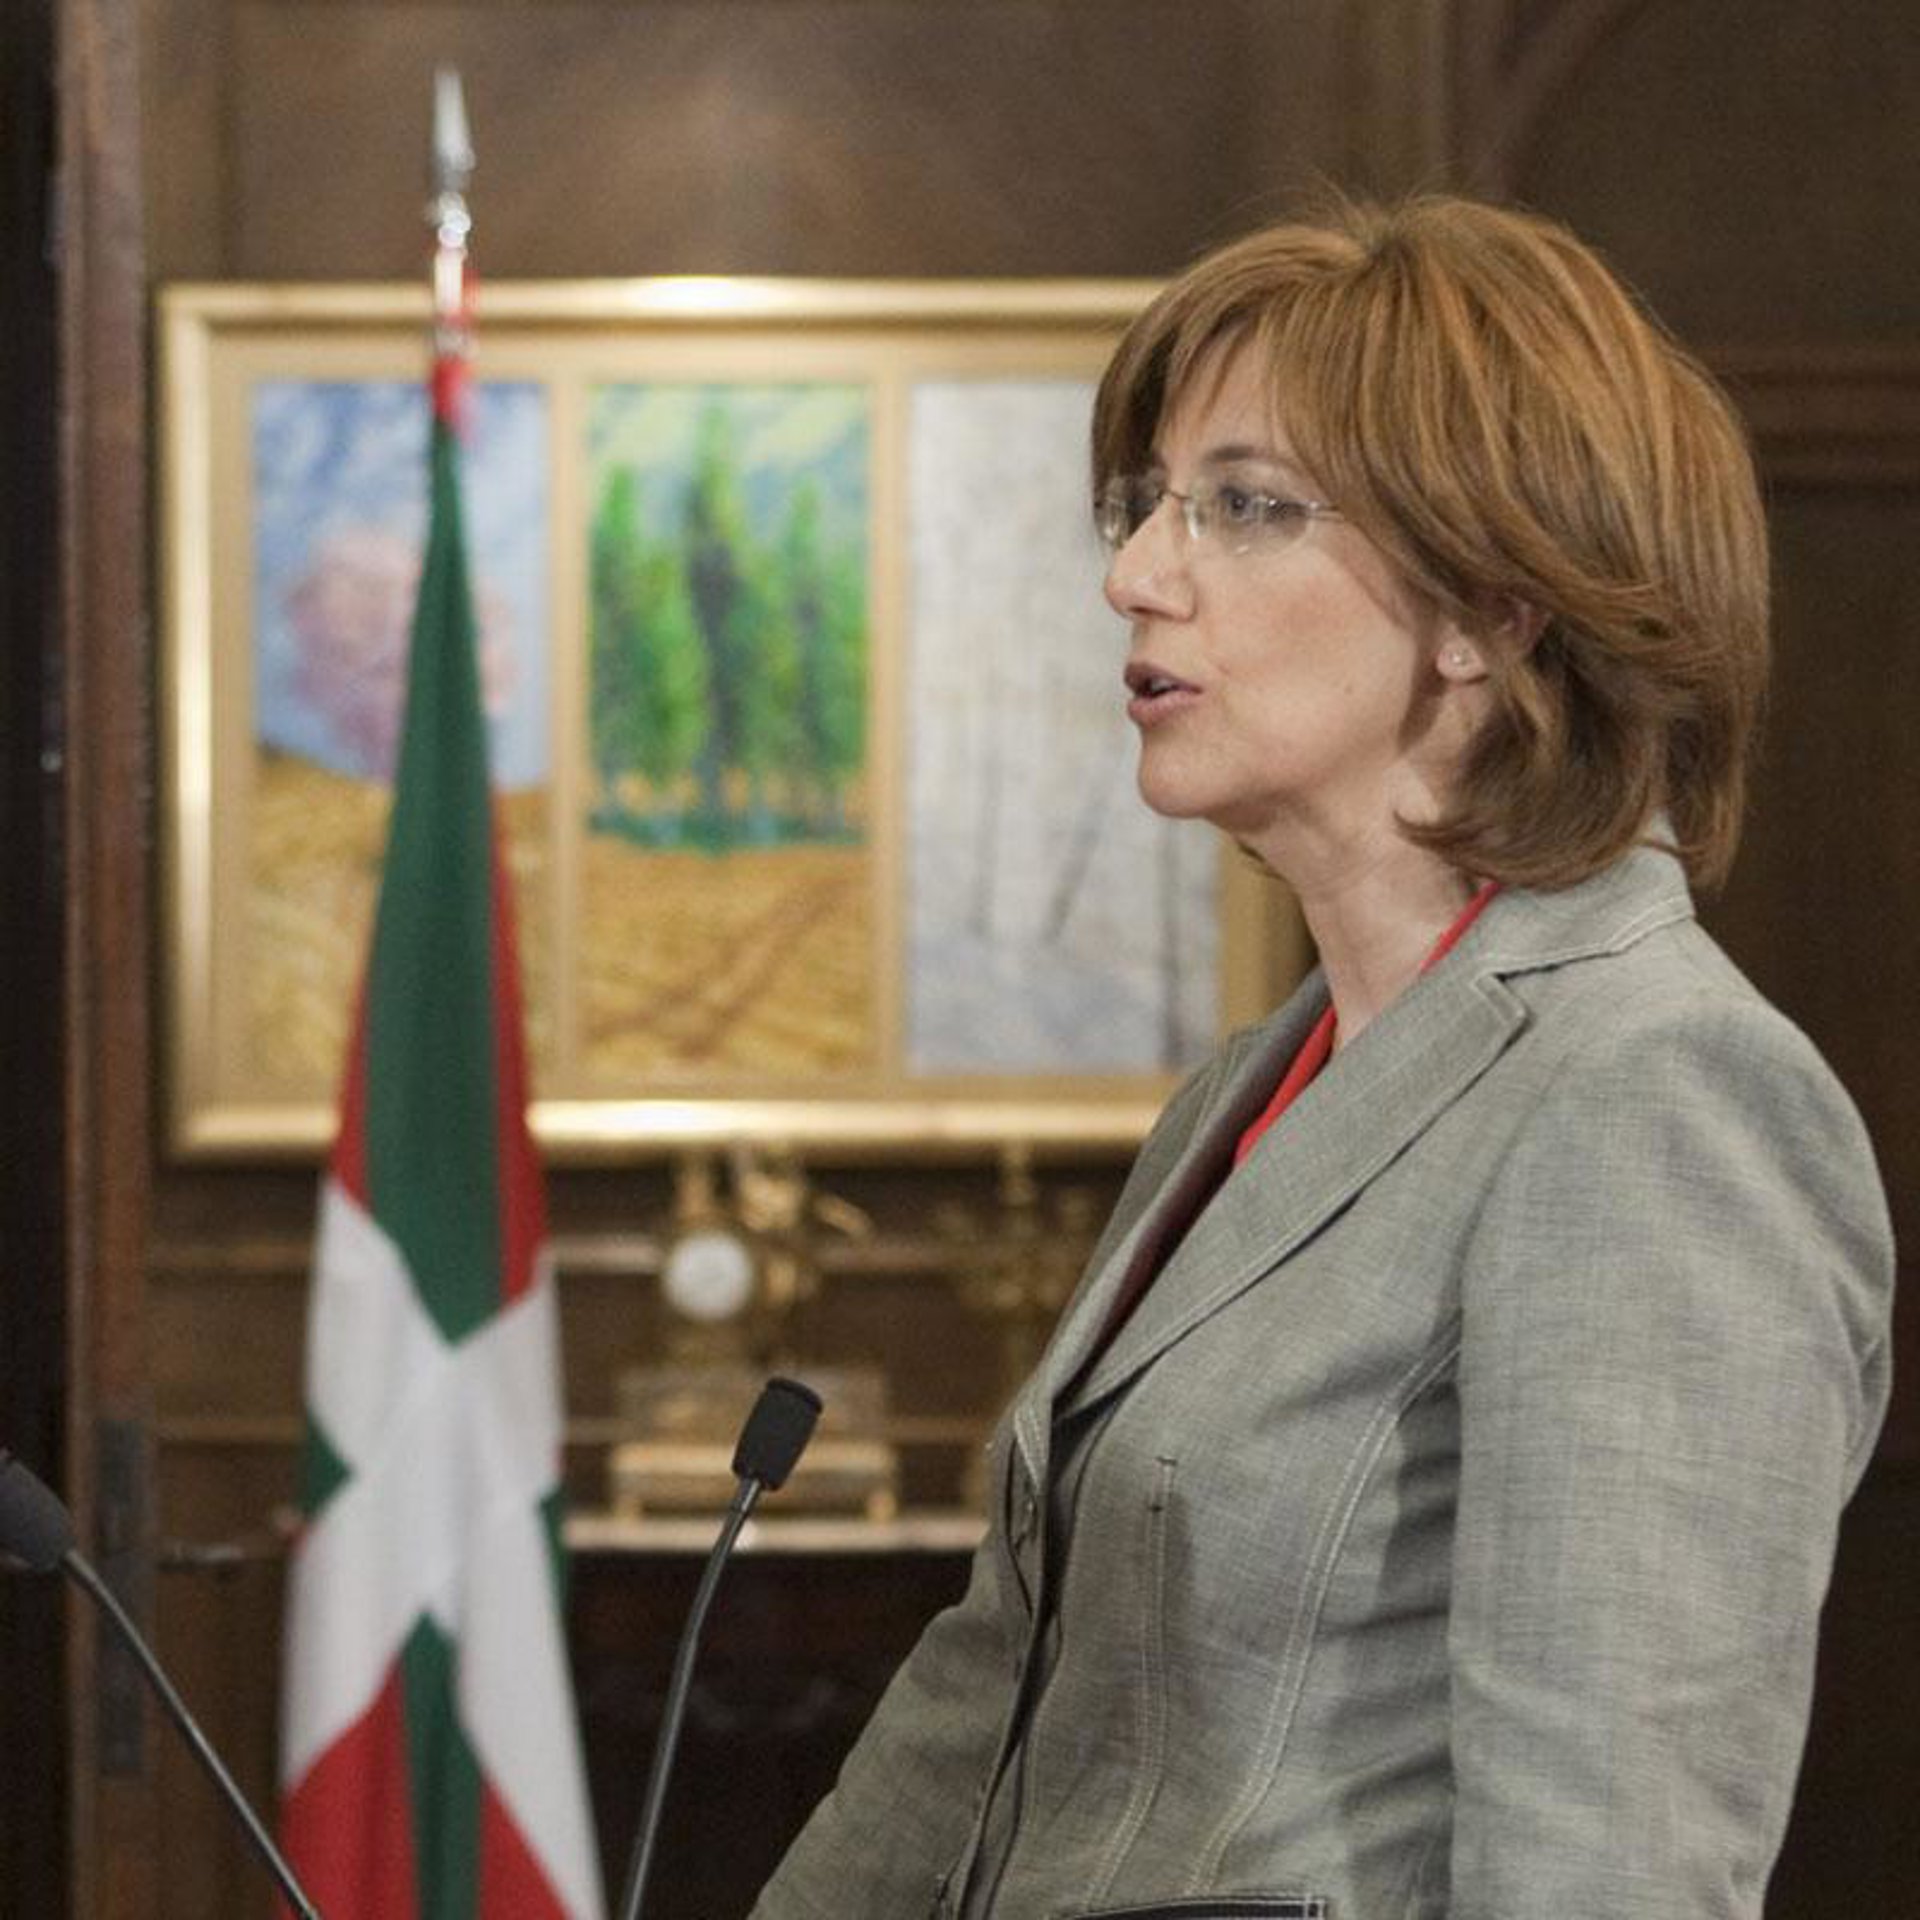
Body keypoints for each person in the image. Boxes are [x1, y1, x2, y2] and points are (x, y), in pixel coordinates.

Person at [750, 194, 1895, 1919]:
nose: (1137, 574)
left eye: (1246, 506)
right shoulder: (1248, 1093)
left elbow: (1608, 1867)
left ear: (1492, 604)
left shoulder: (1656, 1095)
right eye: (1148, 504)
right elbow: (989, 1700)